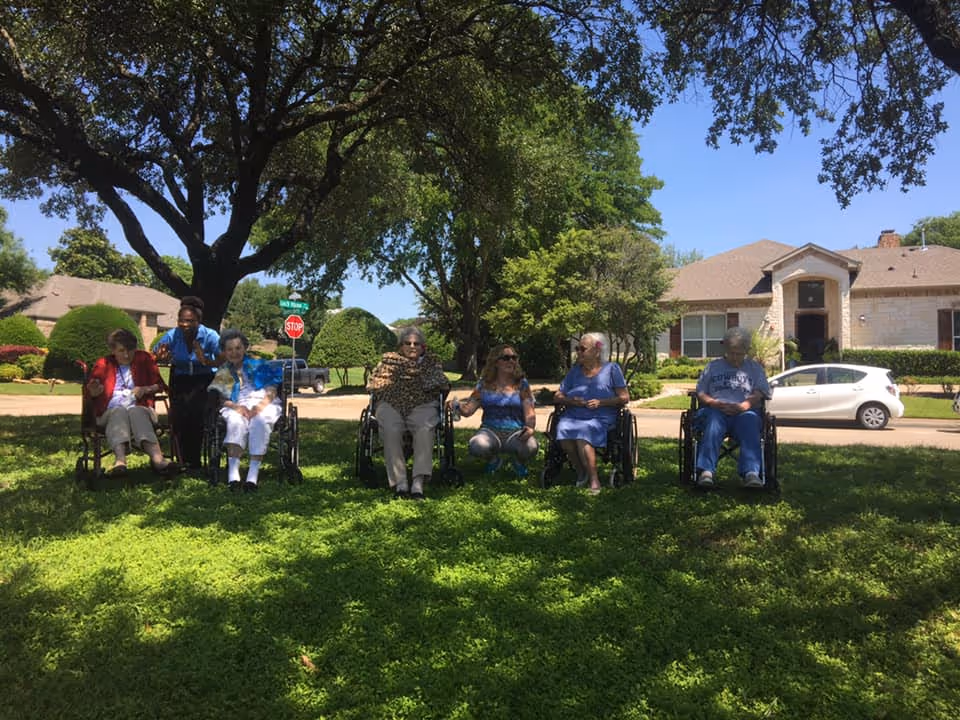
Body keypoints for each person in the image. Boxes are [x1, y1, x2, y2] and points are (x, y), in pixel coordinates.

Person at [366, 327, 449, 501]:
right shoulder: (388, 362)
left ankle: (418, 482)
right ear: (401, 346)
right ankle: (400, 483)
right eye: (408, 343)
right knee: (390, 429)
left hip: (423, 402)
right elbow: (375, 384)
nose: (412, 346)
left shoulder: (432, 363)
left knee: (424, 428)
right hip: (391, 402)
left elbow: (441, 383)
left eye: (416, 343)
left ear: (423, 346)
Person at [86, 328, 178, 476]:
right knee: (119, 411)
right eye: (121, 351)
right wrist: (95, 390)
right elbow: (91, 391)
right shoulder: (103, 364)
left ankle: (158, 459)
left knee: (136, 411)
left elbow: (160, 385)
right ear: (113, 350)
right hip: (110, 412)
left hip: (141, 408)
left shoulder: (144, 359)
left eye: (130, 350)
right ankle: (120, 461)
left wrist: (144, 389)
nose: (126, 355)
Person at [694, 325, 772, 489]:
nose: (735, 358)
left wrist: (744, 406)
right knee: (713, 422)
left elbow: (760, 392)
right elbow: (700, 392)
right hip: (715, 409)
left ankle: (751, 473)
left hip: (745, 410)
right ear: (725, 350)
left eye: (739, 354)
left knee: (750, 421)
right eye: (731, 353)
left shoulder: (755, 368)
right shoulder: (712, 367)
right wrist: (714, 403)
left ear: (746, 352)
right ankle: (706, 472)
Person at [553, 332, 629, 495]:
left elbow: (624, 397)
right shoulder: (574, 371)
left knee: (583, 433)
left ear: (596, 351)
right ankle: (581, 472)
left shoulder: (611, 369)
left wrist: (601, 402)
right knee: (563, 432)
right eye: (577, 348)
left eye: (582, 349)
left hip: (601, 416)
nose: (578, 352)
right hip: (574, 414)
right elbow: (558, 395)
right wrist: (572, 401)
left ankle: (594, 480)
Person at [208, 329, 283, 492]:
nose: (234, 352)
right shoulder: (224, 371)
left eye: (238, 348)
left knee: (259, 422)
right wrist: (238, 408)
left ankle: (252, 477)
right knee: (235, 422)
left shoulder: (259, 365)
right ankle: (233, 477)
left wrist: (259, 407)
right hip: (236, 404)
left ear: (245, 348)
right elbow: (222, 399)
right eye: (229, 349)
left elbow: (271, 390)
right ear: (224, 352)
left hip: (263, 402)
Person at [154, 296, 221, 471]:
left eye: (190, 321)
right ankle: (181, 460)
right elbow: (156, 354)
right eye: (181, 321)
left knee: (197, 416)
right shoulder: (172, 335)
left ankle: (194, 460)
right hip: (180, 378)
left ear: (198, 321)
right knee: (179, 417)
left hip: (203, 379)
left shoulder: (210, 336)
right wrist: (161, 356)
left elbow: (223, 358)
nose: (184, 325)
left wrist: (205, 359)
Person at [455, 343, 538, 478]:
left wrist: (529, 428)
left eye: (514, 357)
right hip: (490, 431)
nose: (511, 361)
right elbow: (469, 410)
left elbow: (529, 411)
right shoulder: (484, 384)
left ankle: (518, 462)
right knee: (476, 445)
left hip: (516, 432)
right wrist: (457, 406)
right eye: (506, 358)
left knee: (531, 447)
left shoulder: (522, 384)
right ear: (496, 362)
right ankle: (494, 461)